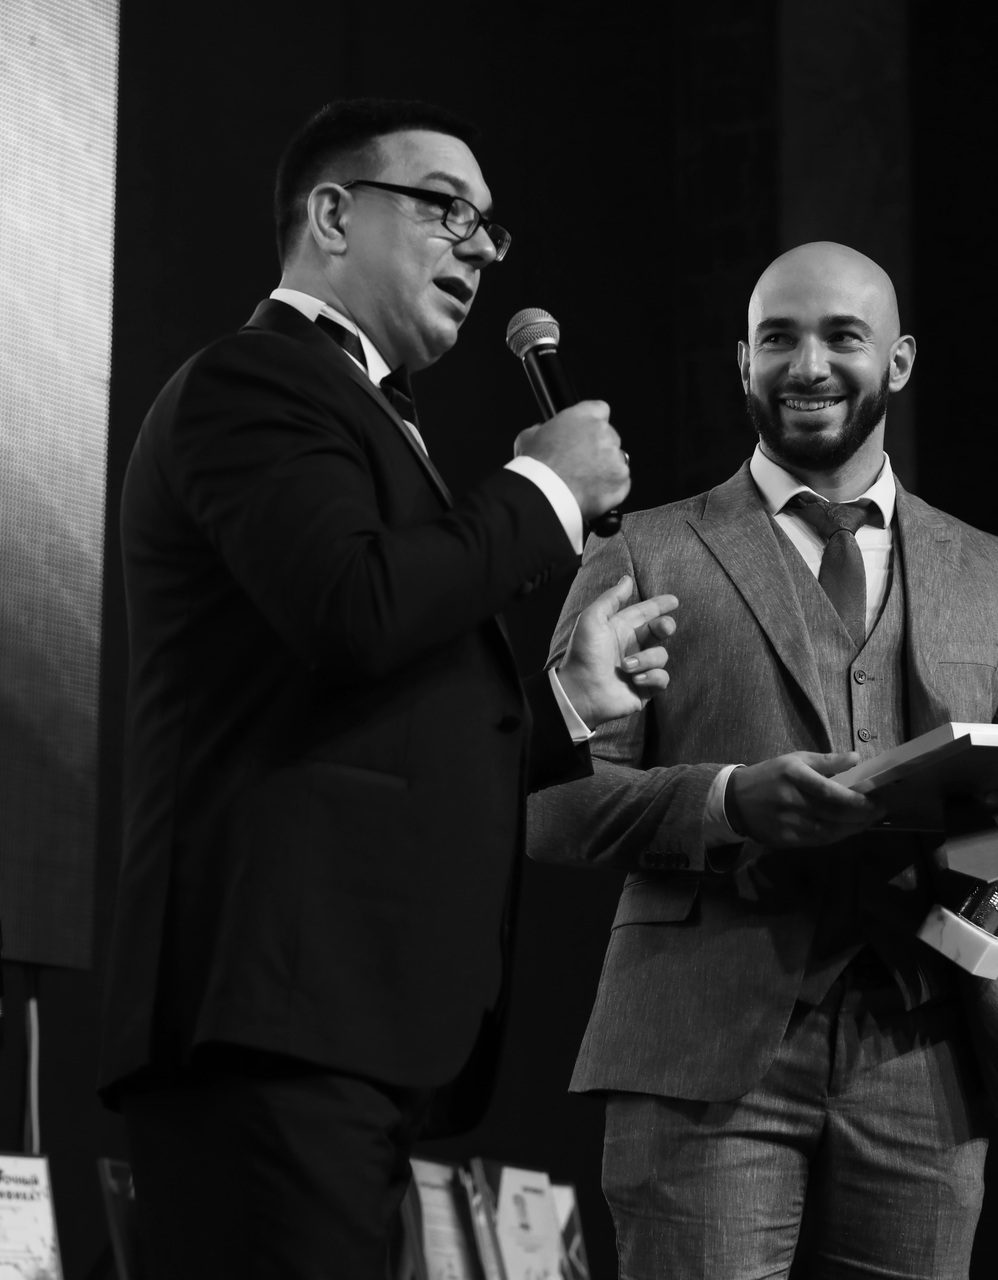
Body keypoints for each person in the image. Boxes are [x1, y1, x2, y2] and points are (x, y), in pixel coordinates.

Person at [96, 98, 677, 1277]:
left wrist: (565, 701)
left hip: (346, 1026)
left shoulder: (361, 410)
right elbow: (352, 606)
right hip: (270, 1019)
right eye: (444, 207)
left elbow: (376, 711)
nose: (478, 245)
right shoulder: (251, 382)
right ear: (331, 215)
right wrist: (544, 490)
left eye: (490, 226)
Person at [529, 241, 998, 1277]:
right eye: (778, 339)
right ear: (741, 363)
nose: (807, 366)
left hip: (927, 1050)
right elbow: (550, 804)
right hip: (699, 1050)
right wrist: (727, 802)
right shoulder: (641, 549)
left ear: (899, 360)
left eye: (843, 336)